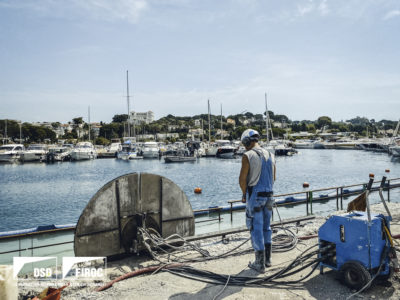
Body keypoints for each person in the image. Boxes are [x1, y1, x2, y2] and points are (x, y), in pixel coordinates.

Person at [239, 129, 276, 273]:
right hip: (269, 196)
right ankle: (267, 260)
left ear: (247, 141)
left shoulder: (248, 155)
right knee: (267, 227)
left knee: (255, 228)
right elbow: (274, 177)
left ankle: (259, 263)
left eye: (244, 143)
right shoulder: (271, 155)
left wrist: (244, 194)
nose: (244, 146)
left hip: (256, 197)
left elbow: (242, 180)